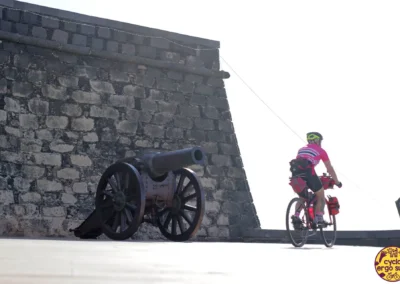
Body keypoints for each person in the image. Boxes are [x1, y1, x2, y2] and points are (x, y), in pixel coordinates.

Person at [289, 132, 342, 227]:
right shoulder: (321, 151)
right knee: (320, 194)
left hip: (295, 174)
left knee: (302, 196)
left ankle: (296, 216)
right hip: (309, 173)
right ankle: (319, 218)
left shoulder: (301, 149)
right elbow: (329, 168)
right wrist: (337, 182)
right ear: (317, 140)